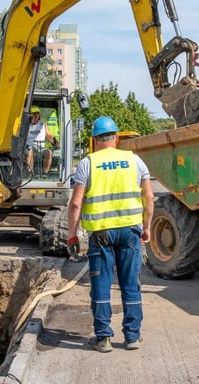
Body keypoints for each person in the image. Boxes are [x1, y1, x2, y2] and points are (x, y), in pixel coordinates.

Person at [66, 116, 154, 353]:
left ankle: (103, 338)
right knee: (130, 284)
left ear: (95, 140)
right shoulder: (135, 161)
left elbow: (75, 204)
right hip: (130, 232)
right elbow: (149, 198)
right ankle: (133, 337)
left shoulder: (88, 163)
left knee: (101, 284)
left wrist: (72, 235)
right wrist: (146, 227)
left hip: (101, 235)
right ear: (116, 138)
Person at [25, 106, 56, 175]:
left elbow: (49, 135)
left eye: (37, 114)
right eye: (33, 114)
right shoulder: (26, 125)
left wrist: (56, 143)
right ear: (30, 115)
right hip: (29, 146)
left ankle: (45, 173)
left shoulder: (43, 124)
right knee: (29, 152)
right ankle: (29, 173)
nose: (35, 116)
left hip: (40, 147)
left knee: (49, 153)